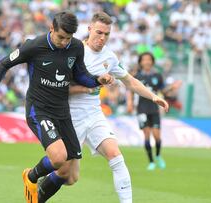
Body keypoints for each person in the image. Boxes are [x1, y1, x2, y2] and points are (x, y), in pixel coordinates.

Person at [0, 11, 114, 203]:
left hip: (62, 112)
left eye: (68, 38)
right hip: (39, 110)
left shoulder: (76, 47)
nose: (64, 42)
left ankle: (37, 199)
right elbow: (4, 64)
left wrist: (96, 80)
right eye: (60, 37)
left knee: (69, 173)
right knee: (59, 157)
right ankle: (31, 176)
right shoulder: (34, 46)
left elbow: (81, 75)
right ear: (51, 29)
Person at [39, 12, 168, 203]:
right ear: (89, 29)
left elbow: (130, 81)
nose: (102, 38)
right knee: (69, 176)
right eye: (99, 32)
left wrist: (153, 96)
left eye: (106, 34)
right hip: (69, 117)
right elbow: (59, 89)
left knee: (116, 156)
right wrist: (88, 85)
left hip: (94, 114)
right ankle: (38, 192)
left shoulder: (110, 57)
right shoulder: (73, 52)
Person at [127, 52, 168, 171]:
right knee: (146, 135)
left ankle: (158, 156)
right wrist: (129, 103)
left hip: (154, 109)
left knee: (157, 136)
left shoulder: (157, 76)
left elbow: (163, 91)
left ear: (152, 61)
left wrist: (172, 88)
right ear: (140, 62)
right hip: (142, 109)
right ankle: (151, 162)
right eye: (144, 60)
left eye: (149, 59)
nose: (147, 62)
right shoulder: (137, 76)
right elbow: (130, 90)